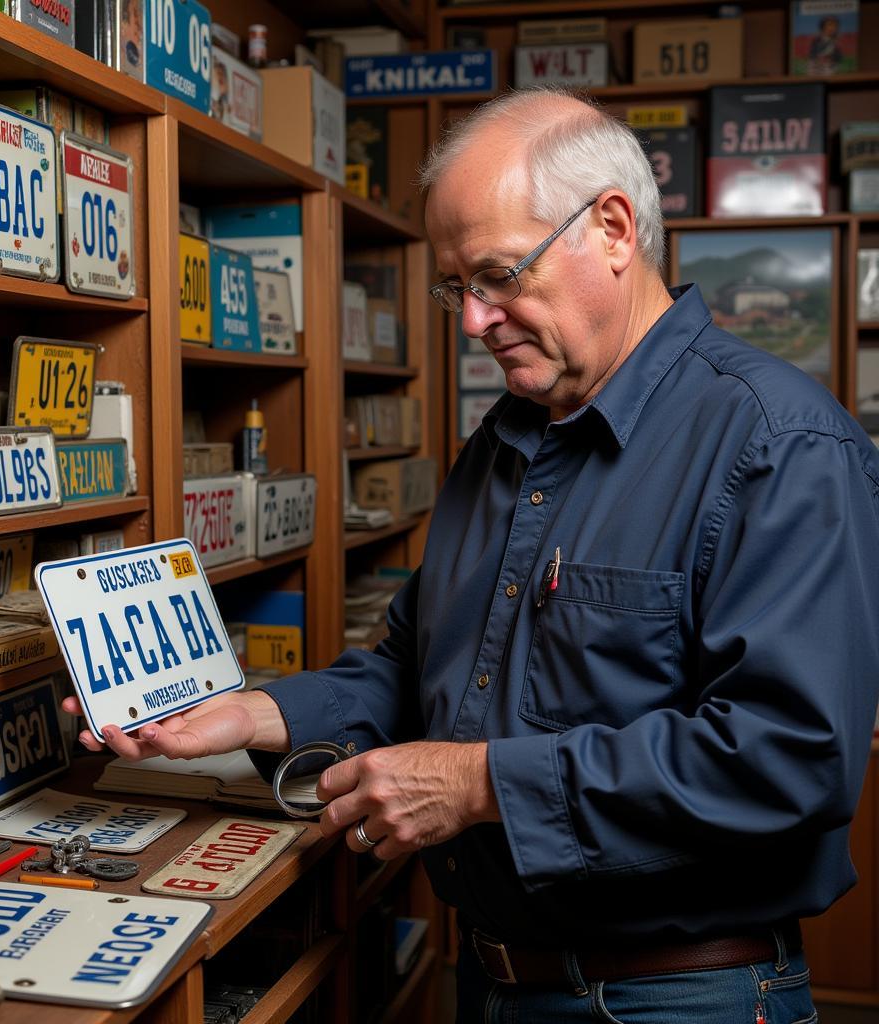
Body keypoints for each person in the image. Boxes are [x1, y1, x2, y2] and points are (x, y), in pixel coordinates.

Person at [64, 88, 879, 1022]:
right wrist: (250, 715)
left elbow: (791, 759)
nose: (473, 322)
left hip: (680, 994)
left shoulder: (779, 441)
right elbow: (420, 670)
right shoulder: (504, 444)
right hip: (495, 983)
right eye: (458, 288)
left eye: (499, 276)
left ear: (613, 228)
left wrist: (481, 781)